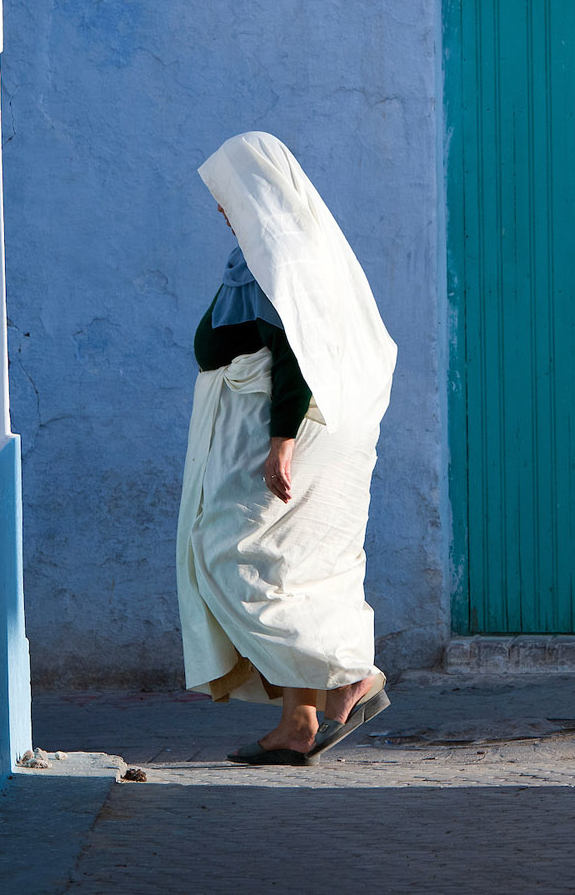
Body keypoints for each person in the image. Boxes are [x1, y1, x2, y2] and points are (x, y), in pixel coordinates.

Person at [176, 131, 396, 765]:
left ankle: (348, 672)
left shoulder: (281, 255)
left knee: (232, 551)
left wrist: (282, 442)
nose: (220, 206)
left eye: (226, 193)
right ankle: (299, 719)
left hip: (270, 428)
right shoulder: (263, 252)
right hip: (251, 420)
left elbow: (297, 352)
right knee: (288, 565)